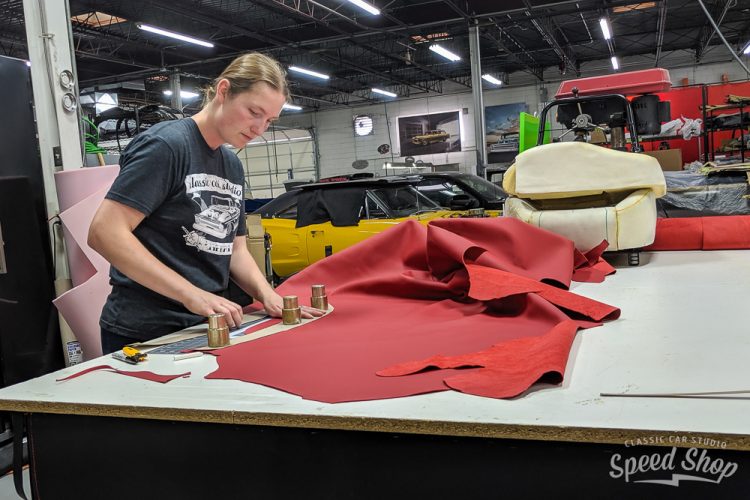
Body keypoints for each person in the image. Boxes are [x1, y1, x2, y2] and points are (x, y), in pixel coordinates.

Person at [89, 52, 322, 354]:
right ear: (223, 91)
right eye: (254, 112)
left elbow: (235, 249)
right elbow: (105, 232)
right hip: (147, 331)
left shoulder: (231, 164)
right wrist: (192, 294)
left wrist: (268, 296)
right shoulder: (167, 146)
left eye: (269, 120)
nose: (259, 128)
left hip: (206, 324)